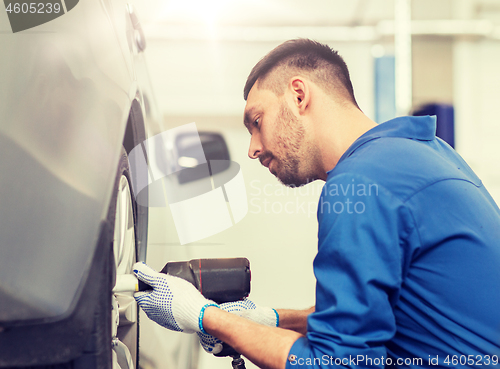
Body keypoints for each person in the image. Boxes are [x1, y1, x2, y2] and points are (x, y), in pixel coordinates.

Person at [133, 39, 500, 368]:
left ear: (298, 95)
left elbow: (335, 363)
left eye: (257, 121)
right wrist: (268, 319)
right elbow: (370, 316)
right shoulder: (422, 154)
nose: (252, 149)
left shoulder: (360, 182)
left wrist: (206, 316)